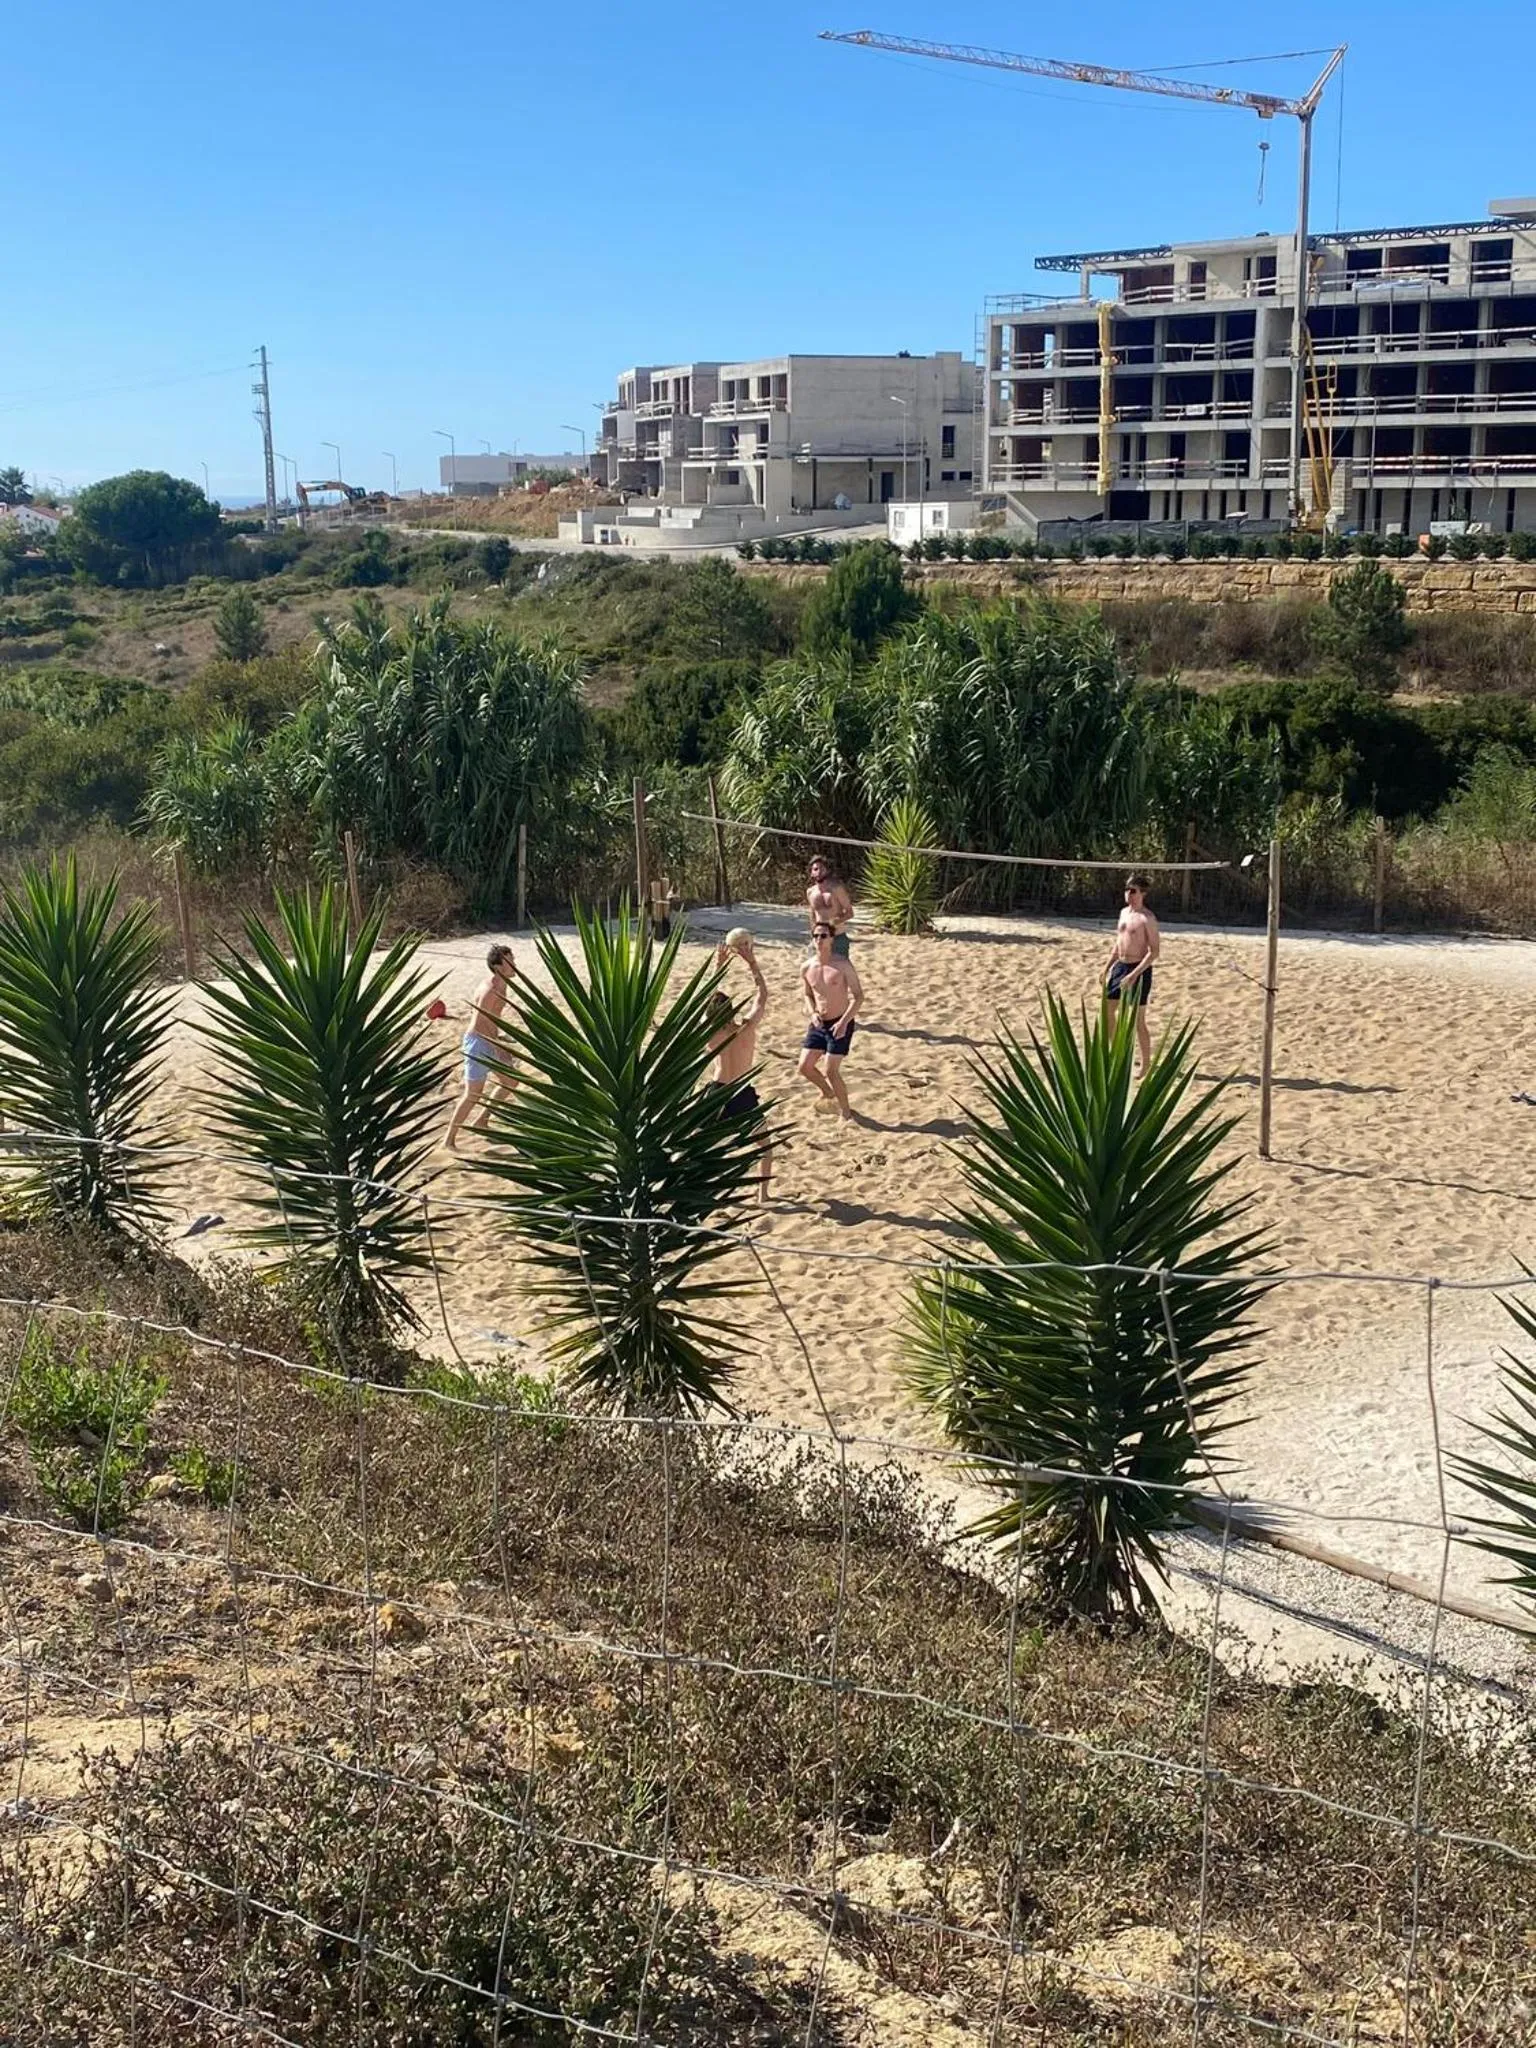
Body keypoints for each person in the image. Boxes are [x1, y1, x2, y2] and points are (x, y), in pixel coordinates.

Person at [706, 928, 772, 1201]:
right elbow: (762, 995)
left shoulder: (709, 1033)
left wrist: (719, 966)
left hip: (716, 1091)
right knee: (764, 1146)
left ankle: (704, 1190)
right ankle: (763, 1195)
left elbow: (703, 998)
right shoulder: (745, 1029)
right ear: (732, 1008)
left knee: (702, 1146)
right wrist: (752, 963)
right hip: (741, 1092)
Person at [445, 943, 518, 1151]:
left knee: (511, 1081)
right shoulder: (492, 988)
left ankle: (482, 1120)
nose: (514, 965)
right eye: (509, 962)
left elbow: (491, 1019)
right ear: (497, 966)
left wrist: (500, 1038)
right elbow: (478, 1021)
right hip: (478, 1043)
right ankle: (449, 1140)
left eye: (514, 960)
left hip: (488, 1040)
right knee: (473, 1094)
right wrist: (497, 1047)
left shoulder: (501, 984)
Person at [799, 921, 863, 1120]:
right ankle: (828, 1093)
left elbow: (859, 996)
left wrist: (844, 1022)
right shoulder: (807, 967)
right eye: (816, 936)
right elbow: (807, 994)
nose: (819, 940)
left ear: (832, 939)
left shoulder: (842, 964)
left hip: (840, 1022)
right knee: (805, 1067)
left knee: (831, 1070)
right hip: (819, 1023)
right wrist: (812, 1014)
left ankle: (845, 1112)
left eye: (823, 936)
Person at [1103, 873, 1160, 1077]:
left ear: (1142, 893)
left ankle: (1146, 1064)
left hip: (1139, 968)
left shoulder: (1148, 918)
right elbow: (1118, 944)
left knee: (1138, 1020)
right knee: (1108, 1010)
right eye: (1127, 889)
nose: (1129, 894)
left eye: (1133, 890)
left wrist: (1135, 974)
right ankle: (1117, 1051)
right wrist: (1107, 967)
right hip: (1121, 965)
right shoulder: (1123, 913)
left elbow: (1154, 952)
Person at [806, 854, 855, 959]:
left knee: (840, 968)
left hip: (836, 935)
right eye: (815, 869)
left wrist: (835, 922)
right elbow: (812, 912)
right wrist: (813, 929)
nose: (818, 872)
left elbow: (850, 912)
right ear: (811, 872)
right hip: (819, 936)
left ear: (827, 871)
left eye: (822, 869)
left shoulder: (836, 889)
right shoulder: (810, 892)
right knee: (814, 967)